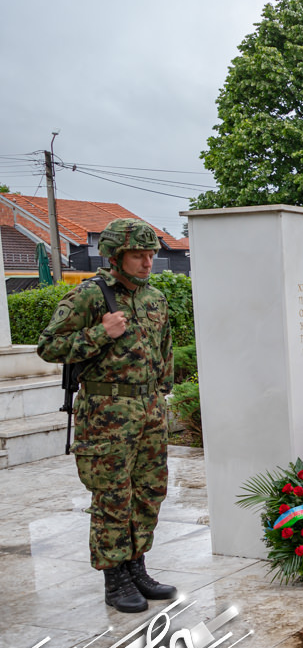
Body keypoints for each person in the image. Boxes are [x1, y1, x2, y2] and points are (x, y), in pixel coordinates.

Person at [37, 218, 176, 613]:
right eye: (138, 255)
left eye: (151, 254)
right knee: (113, 496)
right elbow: (49, 346)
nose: (148, 262)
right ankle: (114, 579)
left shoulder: (154, 298)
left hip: (149, 409)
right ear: (115, 257)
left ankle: (137, 566)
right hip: (106, 412)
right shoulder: (89, 296)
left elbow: (164, 346)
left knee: (149, 492)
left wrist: (162, 389)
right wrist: (101, 333)